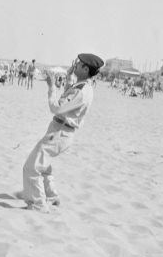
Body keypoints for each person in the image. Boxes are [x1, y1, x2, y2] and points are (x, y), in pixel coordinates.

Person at [17, 53, 104, 212]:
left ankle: (37, 204)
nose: (75, 65)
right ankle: (51, 196)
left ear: (85, 69)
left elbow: (56, 107)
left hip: (61, 132)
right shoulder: (83, 85)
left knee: (31, 167)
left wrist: (51, 87)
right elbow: (69, 95)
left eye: (79, 64)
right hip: (61, 131)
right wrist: (70, 75)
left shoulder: (82, 89)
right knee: (44, 166)